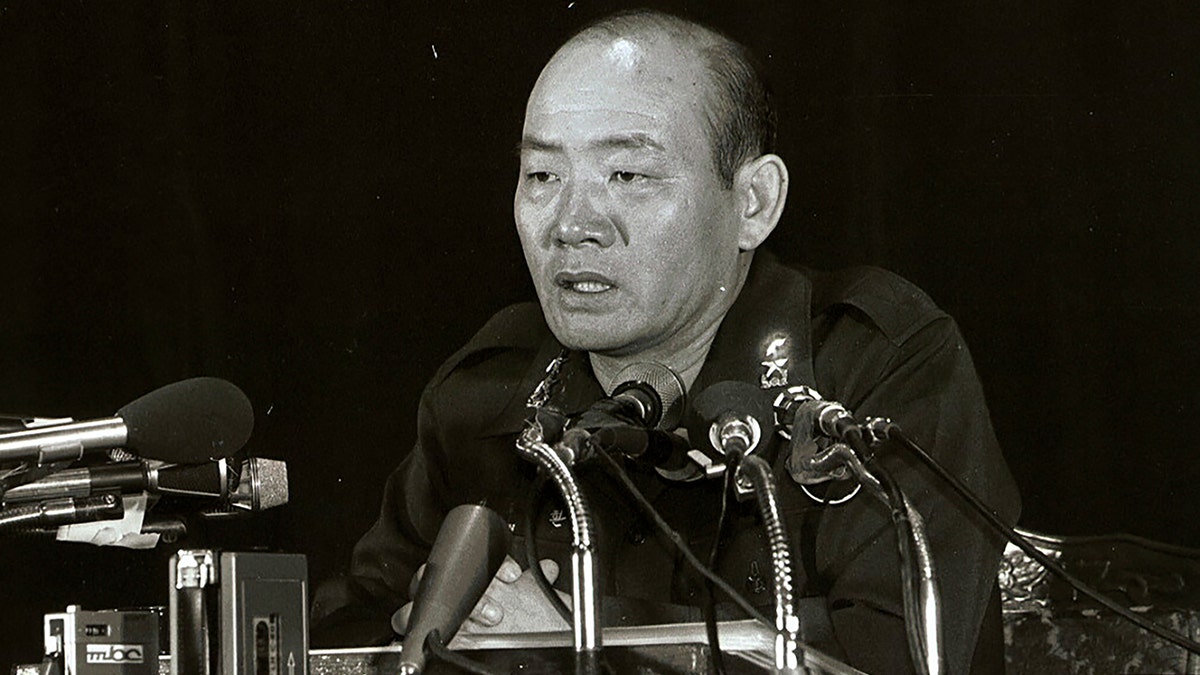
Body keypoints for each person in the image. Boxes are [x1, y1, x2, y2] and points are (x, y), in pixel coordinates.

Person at [311, 9, 1021, 673]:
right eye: (542, 175)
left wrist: (583, 635)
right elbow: (345, 628)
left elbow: (897, 650)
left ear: (754, 203)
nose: (572, 222)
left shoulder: (873, 363)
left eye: (627, 175)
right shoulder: (487, 391)